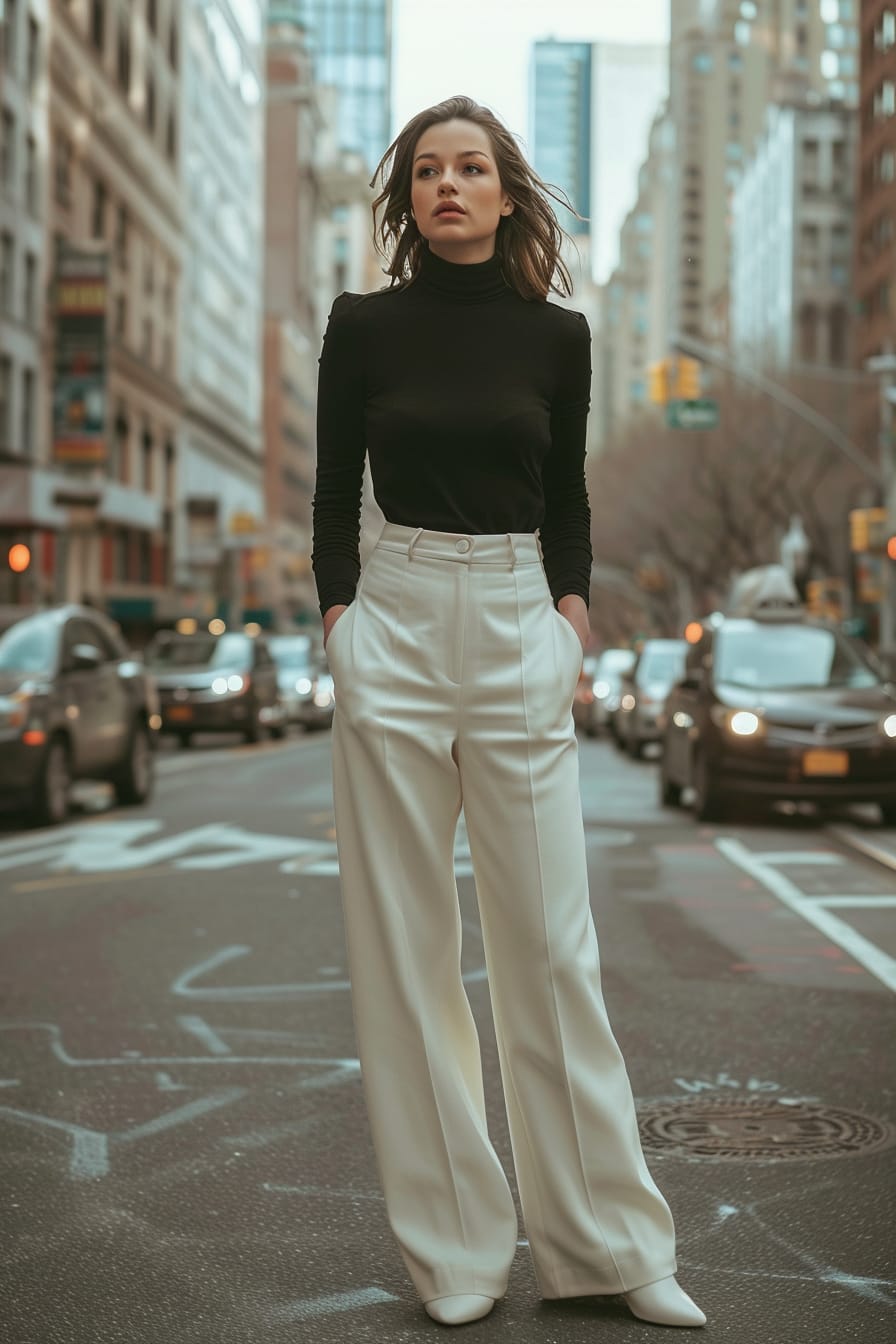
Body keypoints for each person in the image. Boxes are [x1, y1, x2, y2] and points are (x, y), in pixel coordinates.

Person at [311, 95, 706, 1330]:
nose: (447, 186)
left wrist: (570, 623)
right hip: (397, 610)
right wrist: (341, 628)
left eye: (469, 168)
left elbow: (570, 500)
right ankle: (456, 1254)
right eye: (426, 170)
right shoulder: (361, 327)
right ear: (410, 197)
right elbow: (330, 494)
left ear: (503, 191)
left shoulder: (558, 338)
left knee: (548, 947)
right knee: (406, 949)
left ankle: (607, 1248)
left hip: (516, 614)